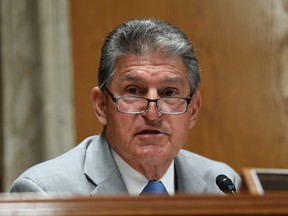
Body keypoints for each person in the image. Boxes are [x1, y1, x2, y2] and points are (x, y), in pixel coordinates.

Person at [10, 18, 241, 196]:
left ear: (193, 110)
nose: (152, 113)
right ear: (101, 106)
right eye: (133, 91)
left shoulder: (221, 183)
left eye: (169, 93)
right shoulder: (44, 191)